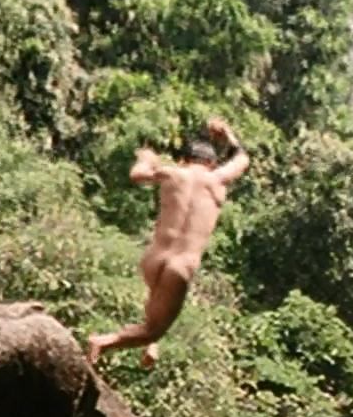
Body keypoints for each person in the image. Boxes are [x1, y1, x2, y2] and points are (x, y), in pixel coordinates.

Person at [86, 117, 250, 367]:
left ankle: (151, 345)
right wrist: (227, 133)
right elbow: (242, 159)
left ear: (184, 160)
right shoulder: (216, 179)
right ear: (212, 163)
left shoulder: (171, 173)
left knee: (156, 300)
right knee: (153, 330)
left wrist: (147, 159)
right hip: (181, 266)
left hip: (154, 259)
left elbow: (137, 175)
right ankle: (103, 342)